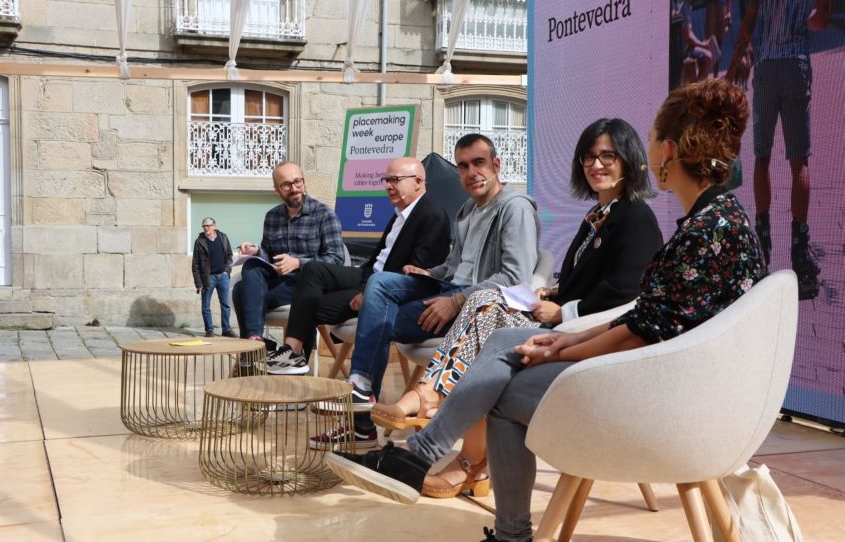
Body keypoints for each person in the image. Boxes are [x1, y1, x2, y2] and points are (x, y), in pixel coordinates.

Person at [325, 78, 767, 542]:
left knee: (503, 389)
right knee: (501, 342)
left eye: (646, 142)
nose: (607, 162)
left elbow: (642, 326)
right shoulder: (718, 221)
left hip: (663, 402)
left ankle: (453, 481)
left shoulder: (703, 231)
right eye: (590, 157)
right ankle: (423, 454)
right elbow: (651, 318)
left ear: (667, 151)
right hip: (669, 382)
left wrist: (563, 344)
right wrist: (564, 337)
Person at [370, 118, 663, 497]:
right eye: (589, 156)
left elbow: (627, 291)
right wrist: (553, 294)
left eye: (608, 155)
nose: (596, 165)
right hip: (564, 320)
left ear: (628, 158)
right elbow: (588, 281)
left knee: (482, 303)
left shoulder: (635, 216)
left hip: (588, 334)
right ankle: (456, 445)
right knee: (485, 318)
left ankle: (436, 410)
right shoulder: (598, 217)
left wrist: (564, 311)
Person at [313, 133, 540, 449]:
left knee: (377, 319)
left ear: (496, 165)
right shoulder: (466, 211)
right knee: (381, 283)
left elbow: (516, 279)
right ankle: (362, 387)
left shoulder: (514, 208)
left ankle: (360, 422)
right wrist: (430, 272)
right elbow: (455, 265)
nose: (471, 172)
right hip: (448, 289)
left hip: (477, 307)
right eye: (462, 166)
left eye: (479, 163)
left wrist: (455, 301)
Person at [265, 156, 451, 378]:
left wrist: (369, 293)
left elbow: (415, 273)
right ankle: (293, 351)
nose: (388, 186)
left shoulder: (432, 215)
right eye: (386, 179)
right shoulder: (399, 215)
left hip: (385, 289)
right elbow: (378, 260)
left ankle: (293, 363)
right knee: (313, 269)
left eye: (395, 180)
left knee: (308, 305)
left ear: (418, 181)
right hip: (368, 274)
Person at [726, 0, 830, 300]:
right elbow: (821, 20)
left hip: (768, 66)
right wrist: (800, 20)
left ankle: (763, 248)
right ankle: (800, 255)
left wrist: (734, 64)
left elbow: (751, 14)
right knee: (799, 159)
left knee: (762, 157)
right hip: (796, 63)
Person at [231, 161, 344, 346]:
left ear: (304, 181)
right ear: (277, 189)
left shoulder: (324, 215)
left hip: (307, 285)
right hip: (279, 282)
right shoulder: (272, 217)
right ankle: (256, 340)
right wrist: (257, 251)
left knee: (241, 292)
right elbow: (269, 257)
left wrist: (298, 263)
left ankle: (253, 345)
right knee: (251, 266)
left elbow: (336, 261)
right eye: (286, 184)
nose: (294, 188)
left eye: (297, 181)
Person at [191, 217, 236, 338]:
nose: (206, 228)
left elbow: (229, 255)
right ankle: (209, 330)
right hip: (208, 278)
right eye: (204, 226)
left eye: (208, 225)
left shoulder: (223, 237)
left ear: (214, 226)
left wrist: (227, 270)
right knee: (206, 306)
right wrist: (198, 282)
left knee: (226, 305)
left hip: (223, 276)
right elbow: (195, 264)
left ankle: (226, 329)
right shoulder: (199, 241)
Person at [679, 0, 715, 84]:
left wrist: (701, 43)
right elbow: (688, 36)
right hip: (686, 50)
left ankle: (699, 84)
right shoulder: (684, 9)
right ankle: (698, 87)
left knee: (712, 53)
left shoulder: (688, 7)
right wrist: (702, 45)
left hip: (689, 46)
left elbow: (690, 33)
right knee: (707, 56)